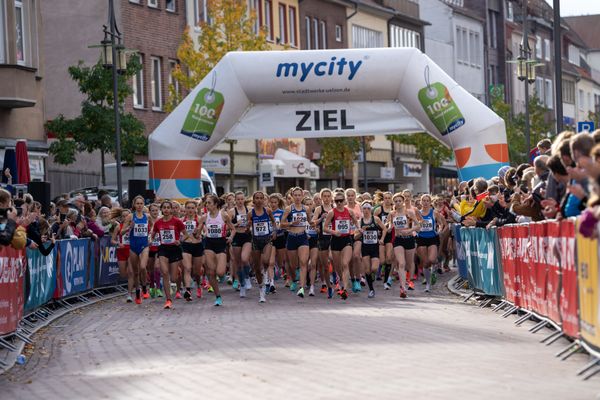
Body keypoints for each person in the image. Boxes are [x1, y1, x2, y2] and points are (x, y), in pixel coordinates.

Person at [151, 200, 188, 309]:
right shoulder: (158, 222)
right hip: (163, 249)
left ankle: (178, 274)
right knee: (165, 273)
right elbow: (152, 235)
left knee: (173, 278)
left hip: (174, 249)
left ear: (171, 209)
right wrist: (150, 240)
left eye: (168, 207)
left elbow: (186, 235)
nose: (166, 209)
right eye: (164, 207)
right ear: (161, 209)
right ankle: (168, 300)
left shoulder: (177, 221)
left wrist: (180, 241)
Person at [200, 194, 235, 306]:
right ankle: (218, 296)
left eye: (209, 203)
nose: (207, 205)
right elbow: (198, 229)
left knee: (220, 272)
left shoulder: (223, 215)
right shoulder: (205, 217)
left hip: (221, 244)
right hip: (209, 243)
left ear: (215, 204)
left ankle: (222, 275)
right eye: (206, 203)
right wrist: (196, 232)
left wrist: (230, 237)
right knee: (210, 272)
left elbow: (233, 229)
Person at [323, 191, 359, 300]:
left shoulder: (349, 211)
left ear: (344, 201)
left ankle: (345, 289)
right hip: (335, 240)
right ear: (334, 202)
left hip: (346, 239)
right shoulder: (331, 212)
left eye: (341, 201)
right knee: (338, 267)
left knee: (345, 264)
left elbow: (355, 221)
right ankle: (341, 280)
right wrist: (333, 232)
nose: (339, 203)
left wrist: (358, 227)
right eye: (336, 201)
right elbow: (324, 228)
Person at [280, 187, 312, 298]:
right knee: (293, 266)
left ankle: (301, 288)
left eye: (299, 195)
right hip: (292, 237)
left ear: (302, 196)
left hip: (303, 237)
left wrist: (319, 221)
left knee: (303, 262)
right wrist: (291, 223)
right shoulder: (289, 209)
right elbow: (281, 224)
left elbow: (311, 221)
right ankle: (293, 279)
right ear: (292, 196)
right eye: (296, 195)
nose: (298, 197)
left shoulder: (307, 208)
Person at [247, 191, 277, 303]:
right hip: (255, 241)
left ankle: (266, 275)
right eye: (257, 198)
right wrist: (247, 226)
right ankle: (261, 288)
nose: (259, 200)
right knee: (256, 268)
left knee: (265, 261)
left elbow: (274, 222)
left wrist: (274, 231)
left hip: (267, 240)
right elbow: (247, 226)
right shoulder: (250, 213)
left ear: (264, 200)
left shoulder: (267, 211)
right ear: (254, 200)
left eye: (261, 198)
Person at [121, 196, 150, 304]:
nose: (139, 206)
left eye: (141, 204)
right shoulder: (130, 216)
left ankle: (144, 287)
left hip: (144, 245)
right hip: (133, 246)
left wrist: (151, 234)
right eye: (137, 204)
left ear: (143, 205)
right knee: (136, 272)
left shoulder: (147, 216)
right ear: (134, 205)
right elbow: (121, 232)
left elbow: (153, 226)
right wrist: (130, 227)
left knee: (142, 267)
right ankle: (137, 291)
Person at [355, 201, 386, 298]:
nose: (366, 210)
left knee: (374, 268)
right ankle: (371, 290)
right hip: (365, 247)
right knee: (367, 270)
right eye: (364, 208)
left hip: (374, 247)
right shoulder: (359, 222)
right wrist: (361, 231)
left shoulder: (375, 219)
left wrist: (381, 239)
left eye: (368, 208)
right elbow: (355, 237)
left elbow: (384, 229)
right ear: (362, 210)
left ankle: (373, 276)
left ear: (371, 209)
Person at [416, 194, 446, 293]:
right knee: (425, 263)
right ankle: (428, 284)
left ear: (430, 202)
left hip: (432, 237)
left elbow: (441, 223)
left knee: (432, 259)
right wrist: (414, 231)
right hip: (421, 238)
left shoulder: (434, 213)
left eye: (427, 201)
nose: (425, 202)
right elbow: (413, 225)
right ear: (421, 202)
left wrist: (440, 230)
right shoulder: (418, 213)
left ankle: (434, 268)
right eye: (423, 201)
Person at [229, 191, 252, 296]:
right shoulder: (231, 212)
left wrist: (249, 224)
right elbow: (228, 226)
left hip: (246, 236)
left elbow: (254, 222)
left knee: (244, 259)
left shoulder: (250, 210)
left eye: (242, 199)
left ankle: (247, 277)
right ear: (235, 200)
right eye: (238, 199)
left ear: (244, 199)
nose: (240, 201)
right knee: (238, 264)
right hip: (236, 237)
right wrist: (235, 224)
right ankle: (242, 285)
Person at [181, 200, 205, 300]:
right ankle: (188, 290)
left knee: (197, 271)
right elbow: (178, 234)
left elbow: (202, 233)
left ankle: (199, 286)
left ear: (195, 209)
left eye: (192, 208)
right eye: (188, 208)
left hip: (197, 246)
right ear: (185, 209)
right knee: (187, 268)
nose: (190, 210)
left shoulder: (199, 219)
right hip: (185, 246)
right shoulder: (181, 220)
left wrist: (198, 233)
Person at [313, 188, 333, 296]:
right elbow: (313, 222)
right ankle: (327, 285)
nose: (326, 198)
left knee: (332, 258)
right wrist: (321, 219)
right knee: (325, 265)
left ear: (331, 197)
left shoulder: (335, 208)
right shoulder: (318, 209)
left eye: (328, 196)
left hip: (334, 238)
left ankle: (336, 278)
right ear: (321, 198)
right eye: (324, 196)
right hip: (322, 238)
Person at [111, 208, 133, 302]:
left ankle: (129, 294)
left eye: (127, 216)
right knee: (123, 274)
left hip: (132, 251)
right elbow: (112, 240)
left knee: (131, 272)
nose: (125, 217)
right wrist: (117, 243)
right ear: (121, 218)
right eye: (123, 216)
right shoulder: (118, 227)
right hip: (121, 251)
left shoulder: (134, 226)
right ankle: (135, 279)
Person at [374, 191, 394, 286]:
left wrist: (391, 227)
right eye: (385, 198)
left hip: (390, 235)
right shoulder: (378, 210)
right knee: (382, 260)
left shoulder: (394, 210)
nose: (387, 200)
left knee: (389, 258)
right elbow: (373, 222)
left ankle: (386, 280)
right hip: (380, 235)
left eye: (389, 198)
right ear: (383, 199)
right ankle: (378, 270)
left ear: (391, 199)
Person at [268, 193, 286, 294]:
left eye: (275, 202)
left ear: (278, 203)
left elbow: (284, 225)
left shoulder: (282, 212)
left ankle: (278, 267)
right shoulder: (267, 212)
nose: (273, 204)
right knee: (270, 262)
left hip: (280, 238)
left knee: (280, 262)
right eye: (271, 202)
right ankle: (271, 284)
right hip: (270, 239)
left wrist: (277, 229)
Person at [303, 196, 319, 296]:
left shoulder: (316, 215)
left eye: (310, 204)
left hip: (315, 241)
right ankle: (306, 281)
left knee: (313, 264)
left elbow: (320, 228)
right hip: (304, 240)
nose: (309, 206)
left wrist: (317, 230)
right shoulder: (301, 216)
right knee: (304, 264)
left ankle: (312, 287)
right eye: (306, 204)